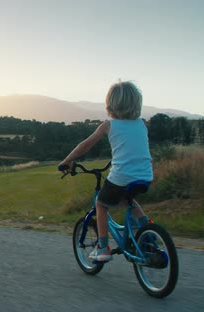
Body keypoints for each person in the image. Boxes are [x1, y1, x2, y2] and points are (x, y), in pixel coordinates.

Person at [59, 81, 153, 262]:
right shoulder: (142, 124)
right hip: (145, 175)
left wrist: (67, 160)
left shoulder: (108, 125)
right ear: (136, 103)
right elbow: (133, 147)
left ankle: (103, 248)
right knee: (128, 201)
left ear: (110, 104)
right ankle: (148, 232)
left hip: (122, 176)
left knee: (101, 205)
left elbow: (85, 146)